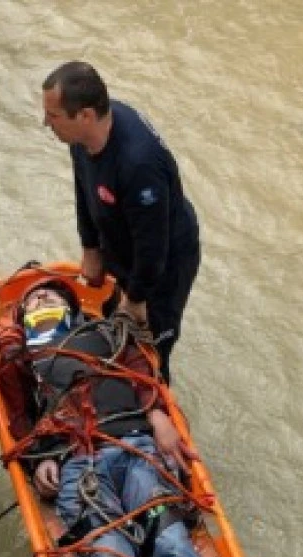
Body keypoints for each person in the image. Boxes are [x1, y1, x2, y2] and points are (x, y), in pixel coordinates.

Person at [0, 276, 205, 557]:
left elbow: (144, 374)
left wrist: (158, 414)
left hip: (138, 446)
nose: (40, 296)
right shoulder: (20, 362)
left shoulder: (105, 334)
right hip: (79, 462)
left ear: (71, 309)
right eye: (32, 299)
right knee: (109, 555)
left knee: (171, 541)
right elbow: (18, 421)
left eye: (50, 293)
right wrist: (39, 459)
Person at [41, 61, 201, 384]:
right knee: (112, 327)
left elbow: (154, 246)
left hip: (162, 263)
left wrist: (137, 299)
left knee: (148, 351)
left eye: (53, 116)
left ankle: (153, 409)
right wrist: (90, 246)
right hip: (122, 240)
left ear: (85, 115)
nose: (45, 123)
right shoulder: (82, 140)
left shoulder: (138, 165)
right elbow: (83, 186)